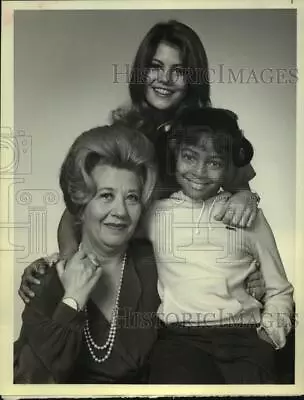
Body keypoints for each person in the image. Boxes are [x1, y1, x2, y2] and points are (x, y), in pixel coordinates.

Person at [18, 20, 264, 302]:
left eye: (179, 71)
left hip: (193, 278)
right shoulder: (122, 136)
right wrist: (65, 265)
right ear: (141, 71)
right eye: (155, 67)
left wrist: (251, 253)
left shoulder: (211, 132)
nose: (165, 79)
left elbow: (243, 202)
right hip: (131, 273)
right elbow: (75, 213)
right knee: (47, 295)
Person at [144, 108, 294, 384]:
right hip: (180, 340)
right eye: (189, 158)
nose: (199, 172)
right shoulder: (154, 215)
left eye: (214, 162)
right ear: (174, 155)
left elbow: (279, 289)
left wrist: (269, 334)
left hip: (244, 340)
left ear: (229, 166)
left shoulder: (248, 215)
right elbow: (109, 240)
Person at [14, 124, 161, 383]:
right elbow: (29, 381)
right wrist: (71, 302)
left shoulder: (159, 266)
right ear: (81, 205)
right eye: (106, 196)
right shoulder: (46, 282)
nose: (121, 212)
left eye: (132, 198)